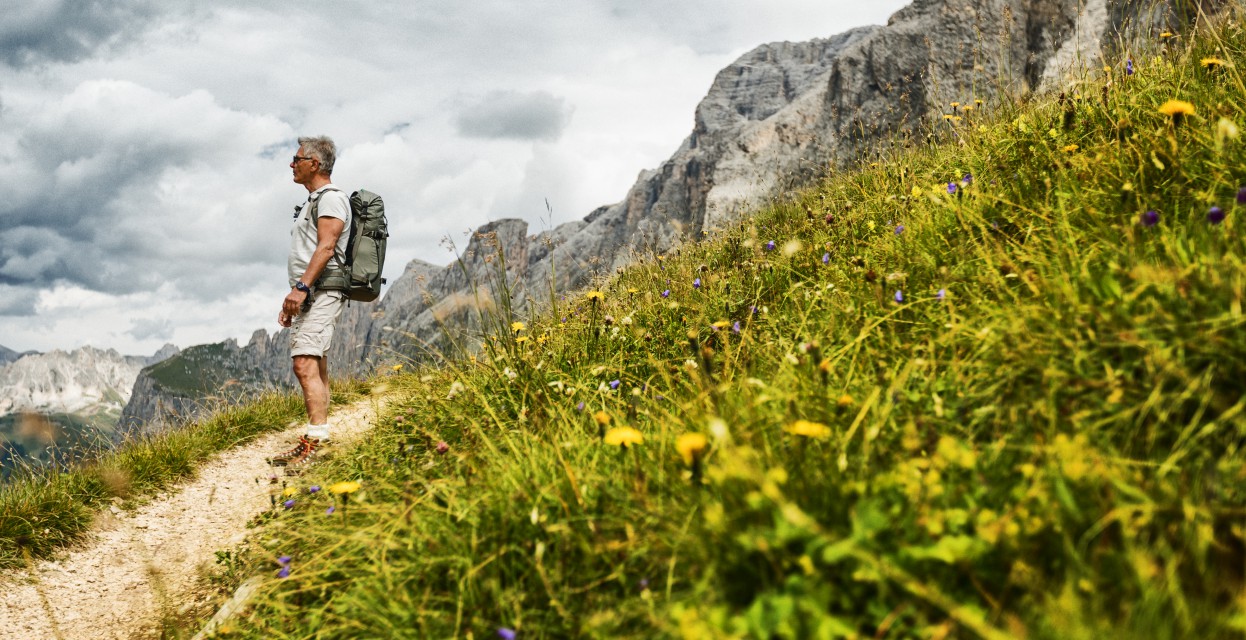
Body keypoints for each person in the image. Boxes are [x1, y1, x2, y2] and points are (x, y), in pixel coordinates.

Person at [269, 136, 351, 468]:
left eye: (296, 158)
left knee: (303, 363)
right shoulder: (314, 200)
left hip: (322, 291)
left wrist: (301, 288)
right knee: (315, 364)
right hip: (311, 293)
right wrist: (295, 297)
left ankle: (316, 441)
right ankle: (318, 437)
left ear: (313, 164)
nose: (292, 163)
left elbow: (327, 247)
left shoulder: (330, 199)